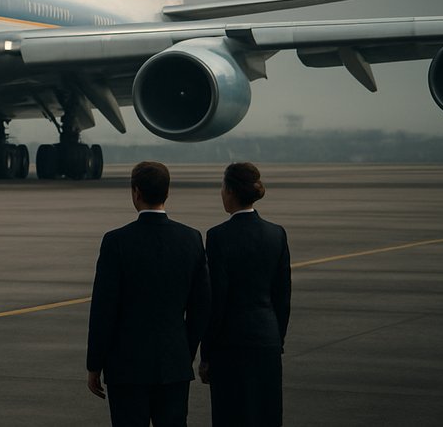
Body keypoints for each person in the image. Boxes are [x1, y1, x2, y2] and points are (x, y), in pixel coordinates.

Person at [86, 161, 210, 427]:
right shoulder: (191, 238)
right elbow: (201, 307)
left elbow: (103, 310)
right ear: (167, 192)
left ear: (136, 192)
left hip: (126, 367)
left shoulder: (116, 241)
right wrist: (183, 351)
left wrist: (94, 364)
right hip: (174, 364)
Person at [199, 162, 291, 427]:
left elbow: (217, 300)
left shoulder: (218, 236)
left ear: (229, 190)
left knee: (231, 415)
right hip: (267, 340)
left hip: (230, 344)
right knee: (267, 415)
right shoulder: (276, 234)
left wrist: (206, 353)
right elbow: (283, 296)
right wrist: (277, 337)